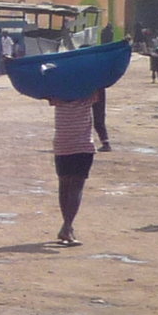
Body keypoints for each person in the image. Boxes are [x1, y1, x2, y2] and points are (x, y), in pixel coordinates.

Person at [49, 82, 111, 247]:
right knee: (76, 187)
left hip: (61, 145)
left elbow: (43, 91)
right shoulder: (87, 97)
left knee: (64, 186)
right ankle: (67, 226)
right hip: (82, 146)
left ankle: (67, 228)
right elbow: (100, 87)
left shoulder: (56, 97)